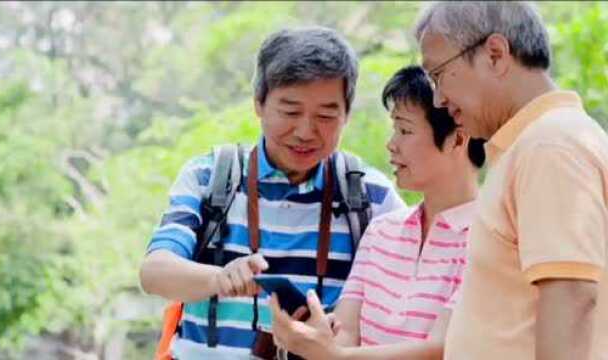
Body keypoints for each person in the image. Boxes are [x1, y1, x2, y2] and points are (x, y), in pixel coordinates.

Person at [139, 26, 405, 359]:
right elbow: (154, 272)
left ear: (347, 115)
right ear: (259, 104)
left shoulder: (371, 196)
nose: (306, 131)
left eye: (325, 115)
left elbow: (412, 295)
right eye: (290, 112)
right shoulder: (210, 177)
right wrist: (220, 278)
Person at [414, 2, 608, 359]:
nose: (439, 99)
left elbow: (572, 295)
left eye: (438, 75)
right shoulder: (533, 145)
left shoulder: (551, 144)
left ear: (495, 54)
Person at [270, 65, 485, 359]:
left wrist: (334, 356)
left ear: (458, 139)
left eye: (405, 130)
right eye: (394, 129)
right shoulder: (382, 231)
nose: (392, 145)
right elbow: (347, 332)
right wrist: (317, 339)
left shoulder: (491, 237)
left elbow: (442, 349)